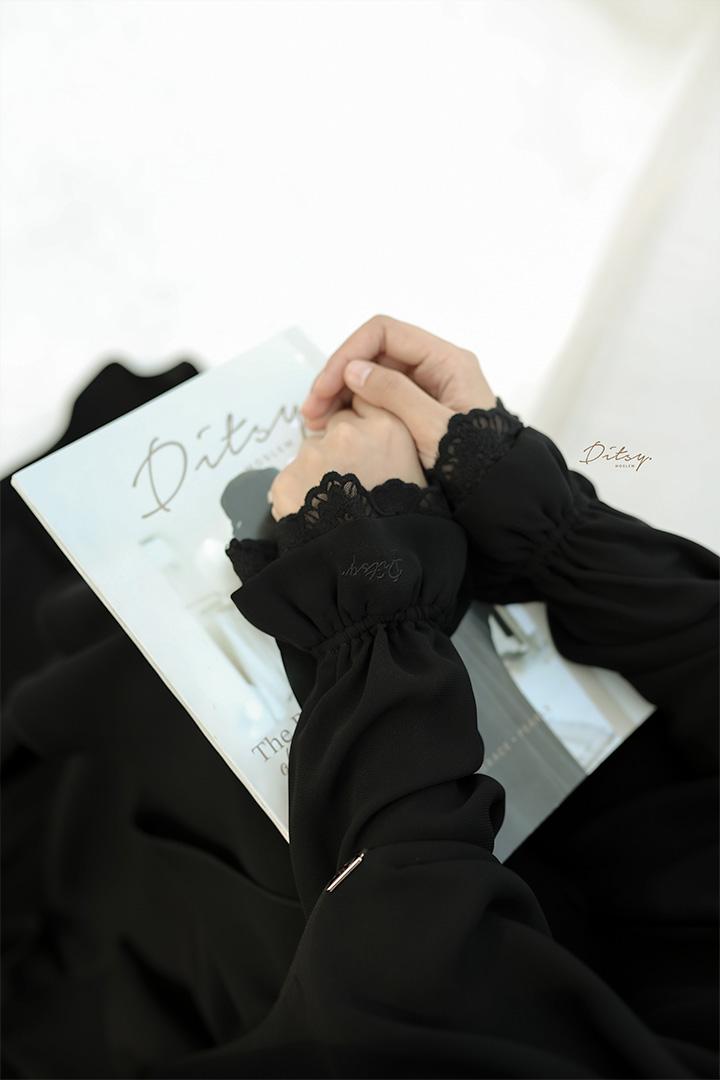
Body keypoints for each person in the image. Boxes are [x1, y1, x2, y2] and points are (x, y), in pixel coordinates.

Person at [1, 316, 717, 1078]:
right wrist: (543, 519)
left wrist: (370, 594)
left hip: (391, 918)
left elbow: (420, 1006)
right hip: (562, 781)